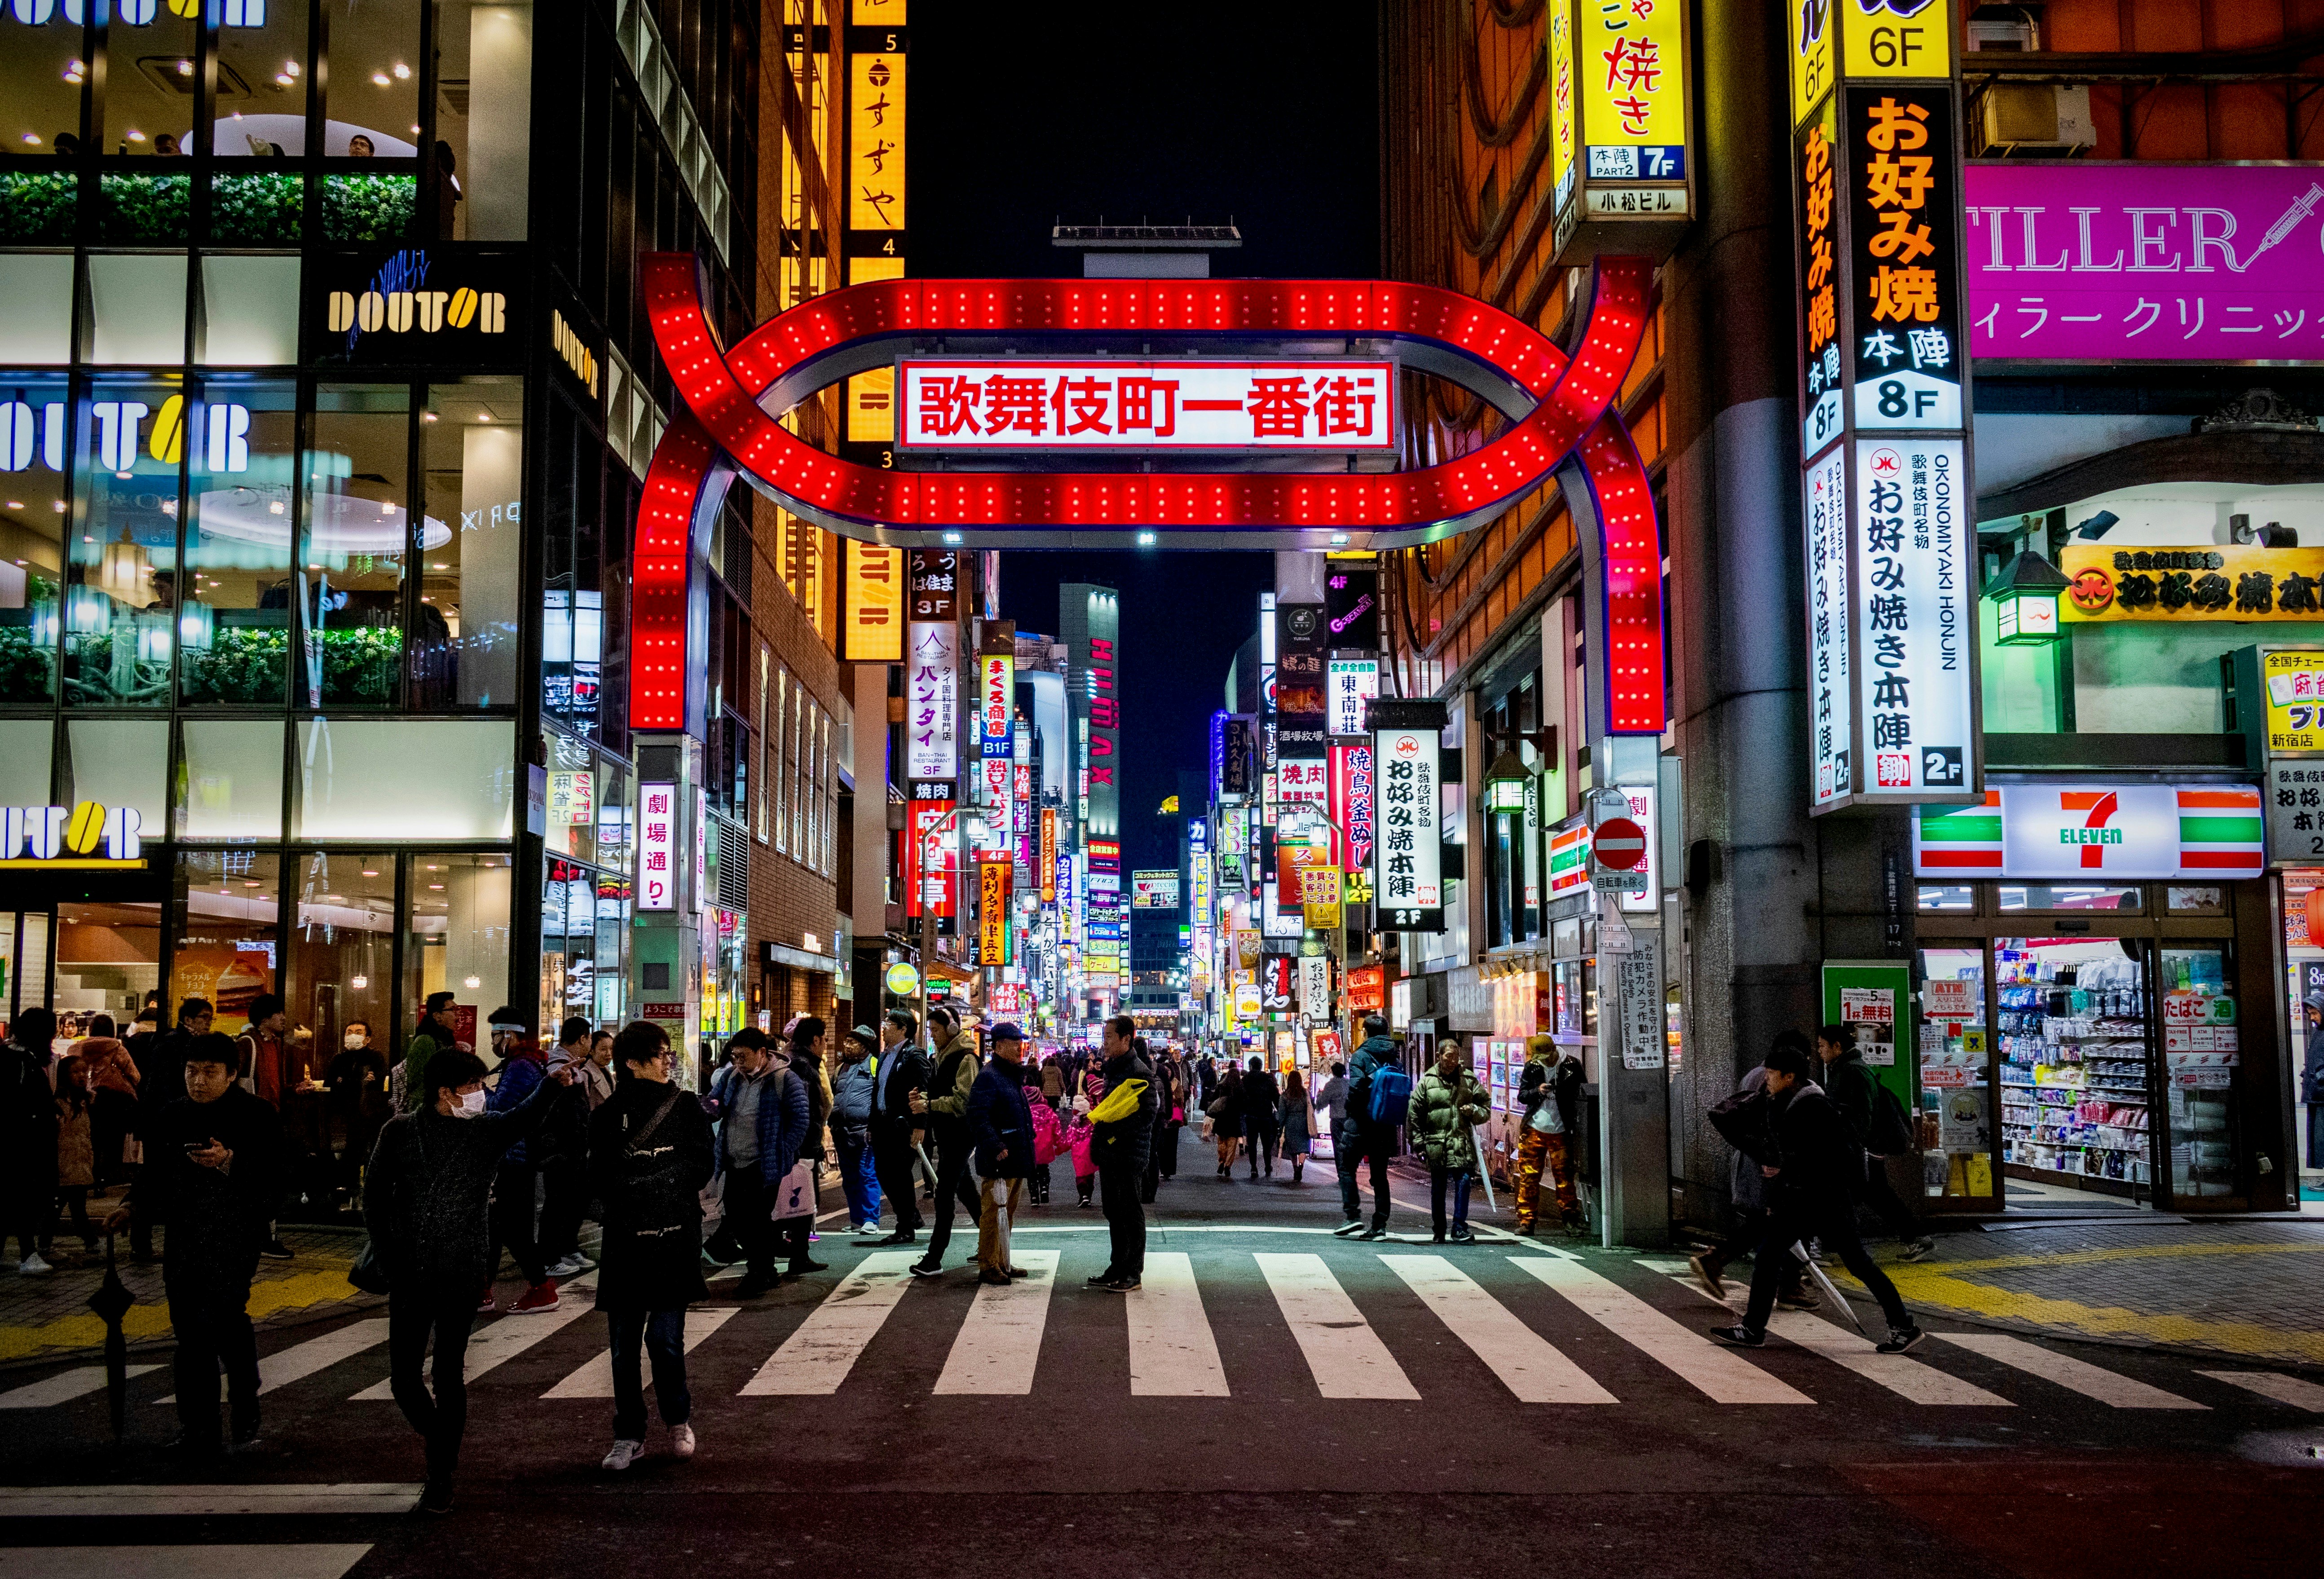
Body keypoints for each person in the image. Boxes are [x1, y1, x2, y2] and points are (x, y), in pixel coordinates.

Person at [364, 1045, 577, 1513]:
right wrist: (388, 1256)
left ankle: (440, 1472)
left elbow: (524, 1117)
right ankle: (440, 1438)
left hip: (462, 1269)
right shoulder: (400, 1132)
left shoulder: (485, 1130)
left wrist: (552, 1085)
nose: (482, 1093)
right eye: (473, 1086)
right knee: (403, 1378)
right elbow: (374, 1197)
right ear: (445, 1092)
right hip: (410, 1271)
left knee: (448, 1373)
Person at [106, 1032, 284, 1456]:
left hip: (235, 1235)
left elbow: (277, 1178)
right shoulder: (173, 1114)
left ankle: (244, 1397)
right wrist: (132, 1205)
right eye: (191, 1071)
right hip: (184, 1235)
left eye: (209, 1072)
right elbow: (154, 1174)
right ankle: (197, 1425)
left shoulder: (257, 1115)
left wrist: (230, 1163)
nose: (199, 1081)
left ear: (232, 1074)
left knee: (226, 1319)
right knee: (189, 1331)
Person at [1709, 1041, 1924, 1355]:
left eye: (1771, 1074)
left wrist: (1786, 1178)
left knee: (1858, 1264)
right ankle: (1753, 1328)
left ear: (1790, 1077)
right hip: (1802, 1200)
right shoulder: (1782, 1103)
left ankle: (1903, 1325)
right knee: (1770, 1256)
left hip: (1825, 1201)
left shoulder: (1815, 1109)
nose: (1766, 1079)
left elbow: (1829, 1160)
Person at [590, 1022, 715, 1472]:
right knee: (623, 1346)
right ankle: (628, 1435)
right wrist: (640, 1185)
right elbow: (599, 1175)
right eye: (661, 1054)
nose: (669, 1061)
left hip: (674, 1236)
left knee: (664, 1339)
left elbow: (702, 1164)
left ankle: (678, 1421)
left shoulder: (685, 1106)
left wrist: (656, 1182)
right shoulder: (608, 1114)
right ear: (632, 1062)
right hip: (625, 1240)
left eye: (668, 1053)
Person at [1691, 1042, 1815, 1311]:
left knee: (1767, 1223)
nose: (1767, 1078)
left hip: (1763, 1167)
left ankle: (1720, 1263)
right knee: (1784, 1224)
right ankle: (1786, 1287)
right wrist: (1773, 1160)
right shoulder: (1792, 1094)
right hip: (1775, 1173)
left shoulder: (1762, 1081)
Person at [1815, 1023, 1935, 1261]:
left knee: (1853, 1194)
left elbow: (1862, 1115)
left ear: (1837, 1046)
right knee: (1873, 1194)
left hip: (1864, 1148)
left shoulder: (1853, 1071)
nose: (1819, 1051)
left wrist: (1852, 1145)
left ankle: (1827, 1246)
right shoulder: (1845, 1068)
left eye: (1822, 1046)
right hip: (1864, 1147)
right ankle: (1916, 1237)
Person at [706, 1029, 808, 1295]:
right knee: (736, 1218)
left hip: (764, 1164)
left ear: (762, 1053)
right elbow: (715, 1101)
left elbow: (800, 1120)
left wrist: (783, 1150)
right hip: (734, 1160)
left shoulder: (785, 1078)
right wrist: (709, 1107)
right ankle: (765, 1271)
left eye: (743, 1056)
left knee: (758, 1221)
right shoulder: (731, 1077)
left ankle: (759, 1272)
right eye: (734, 1056)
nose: (738, 1062)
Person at [479, 1008, 559, 1314]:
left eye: (495, 1036)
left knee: (509, 1228)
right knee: (496, 1226)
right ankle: (483, 1289)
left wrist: (477, 1090)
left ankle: (541, 1288)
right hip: (515, 1157)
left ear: (509, 1034)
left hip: (513, 1158)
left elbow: (500, 1110)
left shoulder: (520, 1066)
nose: (493, 1042)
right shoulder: (527, 1062)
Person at [907, 1006, 984, 1278]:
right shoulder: (941, 1057)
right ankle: (993, 1244)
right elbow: (939, 1092)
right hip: (948, 1135)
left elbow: (963, 1102)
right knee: (967, 1193)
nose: (932, 1035)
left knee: (944, 1194)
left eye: (936, 1030)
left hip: (961, 1135)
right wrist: (922, 1097)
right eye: (930, 1030)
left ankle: (934, 1258)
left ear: (952, 1029)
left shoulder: (966, 1059)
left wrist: (929, 1105)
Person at [1086, 1015, 1155, 1292]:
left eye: (1109, 1037)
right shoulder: (1114, 1069)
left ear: (1126, 1039)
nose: (1104, 1042)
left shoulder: (1139, 1071)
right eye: (1104, 1037)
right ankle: (1117, 1267)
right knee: (1113, 1210)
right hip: (1110, 1150)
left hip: (1128, 1152)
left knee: (1130, 1211)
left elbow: (1148, 1113)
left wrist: (1115, 1135)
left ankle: (1133, 1272)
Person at [966, 1023, 1035, 1285]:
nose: (1020, 1048)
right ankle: (988, 1264)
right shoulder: (990, 1075)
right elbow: (977, 1115)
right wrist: (995, 1146)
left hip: (1015, 1155)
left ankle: (1002, 1260)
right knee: (994, 1213)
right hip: (999, 1158)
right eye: (1015, 1043)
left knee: (1007, 1213)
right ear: (999, 1046)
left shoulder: (1009, 1074)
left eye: (1020, 1043)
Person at [1410, 1038, 1491, 1244]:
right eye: (1449, 1056)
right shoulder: (1427, 1082)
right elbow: (1414, 1114)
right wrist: (1419, 1144)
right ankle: (1439, 1229)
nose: (1454, 1061)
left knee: (1464, 1182)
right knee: (1438, 1188)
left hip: (1461, 1143)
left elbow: (1486, 1107)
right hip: (1436, 1145)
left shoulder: (1468, 1080)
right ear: (1439, 1056)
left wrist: (1474, 1111)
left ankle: (1459, 1228)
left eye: (1457, 1056)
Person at [1333, 1015, 1405, 1239]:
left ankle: (1353, 1216)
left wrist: (1350, 1109)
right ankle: (1380, 1225)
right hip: (1385, 1122)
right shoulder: (1394, 1055)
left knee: (1346, 1167)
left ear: (1366, 1032)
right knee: (1380, 1176)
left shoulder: (1361, 1055)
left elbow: (1356, 1088)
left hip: (1361, 1122)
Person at [860, 1010, 928, 1245]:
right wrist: (871, 1125)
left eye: (889, 1024)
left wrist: (920, 1125)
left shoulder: (914, 1055)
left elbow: (923, 1091)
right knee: (883, 1173)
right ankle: (910, 1215)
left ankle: (905, 1227)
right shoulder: (883, 1057)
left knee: (900, 1175)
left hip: (902, 1126)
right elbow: (877, 1093)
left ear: (903, 1029)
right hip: (882, 1124)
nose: (884, 1028)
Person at [538, 1017, 600, 1277]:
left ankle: (567, 1248)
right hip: (561, 1148)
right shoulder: (559, 1066)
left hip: (573, 1147)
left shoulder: (572, 1065)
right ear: (583, 1039)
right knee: (558, 1202)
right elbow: (561, 1112)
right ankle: (549, 1258)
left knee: (574, 1200)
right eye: (590, 1039)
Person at [4, 1009, 61, 1275]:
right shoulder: (23, 1061)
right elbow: (27, 1102)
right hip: (24, 1142)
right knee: (24, 1198)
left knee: (11, 1198)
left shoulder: (11, 1056)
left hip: (16, 1140)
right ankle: (28, 1254)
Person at [1513, 1035, 1583, 1233]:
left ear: (1554, 1050)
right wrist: (1538, 1091)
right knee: (1529, 1176)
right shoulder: (1532, 1066)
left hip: (1562, 1129)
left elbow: (1582, 1095)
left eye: (1545, 1057)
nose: (1543, 1061)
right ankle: (1527, 1221)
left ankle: (1570, 1219)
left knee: (1565, 1177)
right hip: (1534, 1128)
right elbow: (1522, 1096)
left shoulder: (1572, 1065)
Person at [779, 1017, 833, 1271]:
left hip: (791, 1144)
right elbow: (808, 1113)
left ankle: (795, 1253)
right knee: (803, 1201)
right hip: (800, 1146)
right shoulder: (803, 1067)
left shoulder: (790, 1061)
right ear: (816, 1040)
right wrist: (813, 1146)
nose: (826, 1045)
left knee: (794, 1199)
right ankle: (798, 1256)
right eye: (825, 1040)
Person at [324, 1021, 389, 1209]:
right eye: (349, 1032)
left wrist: (345, 1081)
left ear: (367, 1039)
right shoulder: (339, 1058)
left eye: (358, 1032)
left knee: (370, 1152)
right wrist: (359, 1080)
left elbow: (376, 1082)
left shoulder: (376, 1057)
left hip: (370, 1114)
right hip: (344, 1116)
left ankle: (370, 1193)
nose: (353, 1035)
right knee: (349, 1154)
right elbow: (331, 1082)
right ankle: (346, 1192)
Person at [829, 1026, 882, 1230]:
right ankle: (857, 1220)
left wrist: (875, 1126)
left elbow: (880, 1097)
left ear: (865, 1046)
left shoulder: (875, 1065)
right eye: (847, 1042)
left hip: (865, 1132)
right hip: (841, 1132)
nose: (847, 1046)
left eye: (852, 1042)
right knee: (849, 1178)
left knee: (867, 1174)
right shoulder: (840, 1069)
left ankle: (871, 1220)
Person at [50, 1055, 98, 1257]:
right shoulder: (57, 1103)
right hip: (63, 1165)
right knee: (58, 1209)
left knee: (76, 1207)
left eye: (84, 1072)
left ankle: (90, 1242)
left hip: (80, 1163)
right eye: (76, 1072)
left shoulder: (87, 1101)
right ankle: (90, 1242)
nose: (82, 1076)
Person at [395, 992, 461, 1114]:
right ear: (437, 1016)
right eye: (453, 1010)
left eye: (457, 1009)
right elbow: (419, 1084)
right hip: (428, 1111)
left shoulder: (446, 1041)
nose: (458, 1015)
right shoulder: (425, 1041)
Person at [1240, 1055, 1280, 1178]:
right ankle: (1268, 1166)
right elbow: (1276, 1097)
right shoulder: (1268, 1079)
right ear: (1261, 1066)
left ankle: (1254, 1168)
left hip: (1251, 1116)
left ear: (1251, 1066)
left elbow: (1242, 1096)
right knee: (1266, 1144)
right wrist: (1279, 1112)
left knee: (1252, 1144)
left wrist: (1244, 1109)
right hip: (1266, 1116)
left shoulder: (1246, 1079)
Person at [1278, 1065, 1315, 1184]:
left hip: (1291, 1124)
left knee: (1293, 1149)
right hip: (1304, 1123)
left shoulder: (1285, 1096)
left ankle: (1295, 1169)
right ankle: (1301, 1166)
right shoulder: (1306, 1093)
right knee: (1303, 1148)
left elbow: (1282, 1113)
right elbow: (1312, 1106)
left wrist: (1280, 1127)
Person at [1208, 1061, 1244, 1178]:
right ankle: (1228, 1165)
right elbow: (1244, 1103)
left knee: (1222, 1141)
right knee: (1232, 1144)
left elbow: (1213, 1099)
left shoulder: (1222, 1086)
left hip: (1222, 1118)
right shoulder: (1240, 1088)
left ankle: (1222, 1161)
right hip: (1234, 1119)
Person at [1316, 1060, 1348, 1139]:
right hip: (1348, 1119)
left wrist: (1319, 1096)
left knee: (1337, 1143)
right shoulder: (1349, 1083)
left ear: (1333, 1072)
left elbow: (1323, 1103)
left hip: (1336, 1119)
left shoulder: (1330, 1085)